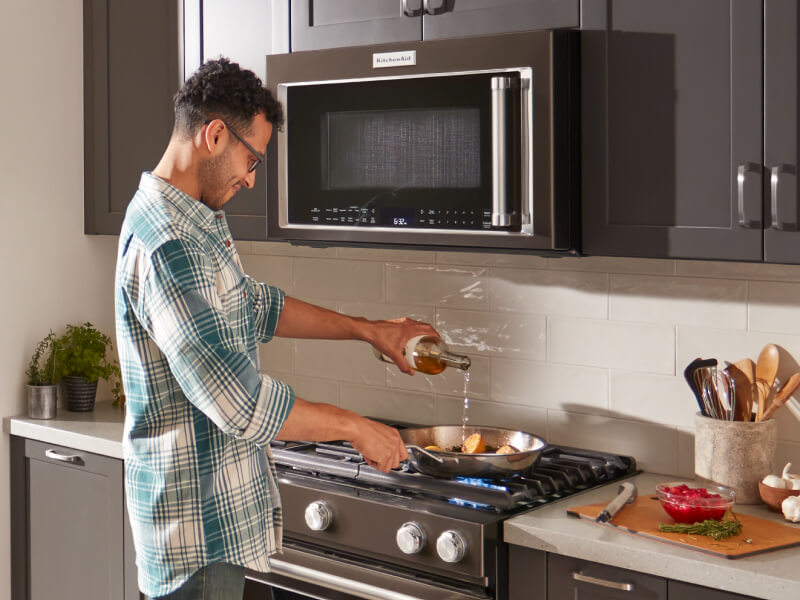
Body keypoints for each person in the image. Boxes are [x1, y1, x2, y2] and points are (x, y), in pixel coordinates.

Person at [114, 57, 439, 600]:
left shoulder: (194, 219)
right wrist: (356, 427)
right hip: (196, 538)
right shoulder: (170, 244)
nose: (251, 177)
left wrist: (372, 331)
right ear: (215, 135)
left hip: (210, 529)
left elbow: (254, 307)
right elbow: (239, 403)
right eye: (252, 158)